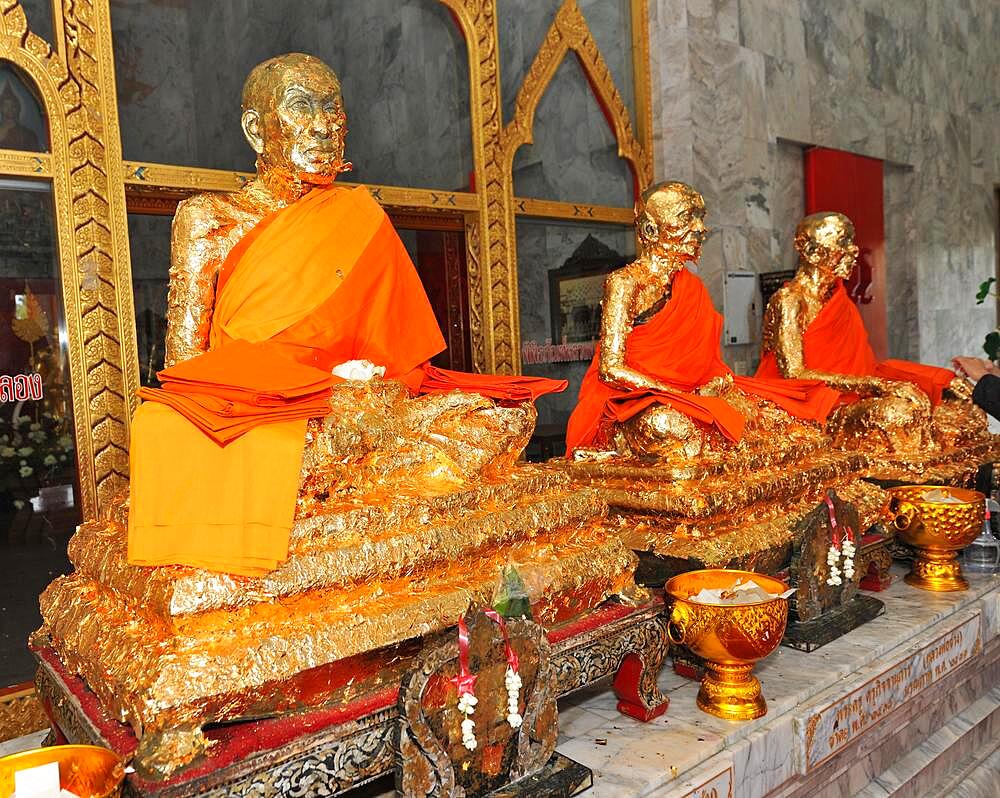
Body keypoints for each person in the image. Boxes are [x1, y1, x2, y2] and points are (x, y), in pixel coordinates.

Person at [127, 53, 563, 576]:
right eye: (301, 108)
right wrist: (294, 400)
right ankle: (348, 477)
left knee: (502, 418)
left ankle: (344, 481)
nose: (324, 126)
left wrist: (364, 392)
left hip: (352, 409)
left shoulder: (358, 217)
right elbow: (187, 372)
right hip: (265, 412)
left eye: (333, 110)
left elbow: (400, 361)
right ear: (255, 128)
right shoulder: (210, 218)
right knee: (213, 437)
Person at [565, 181, 838, 459]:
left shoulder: (692, 287)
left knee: (771, 415)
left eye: (700, 218)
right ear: (650, 229)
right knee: (668, 425)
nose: (700, 228)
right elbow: (610, 369)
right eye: (686, 217)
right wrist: (678, 395)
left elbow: (705, 365)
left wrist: (713, 387)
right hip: (634, 402)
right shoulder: (625, 283)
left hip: (689, 394)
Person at [756, 211, 972, 452]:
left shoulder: (839, 300)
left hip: (855, 396)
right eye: (843, 241)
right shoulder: (790, 301)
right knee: (898, 412)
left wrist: (937, 378)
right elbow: (795, 374)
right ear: (810, 250)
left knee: (952, 409)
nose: (854, 250)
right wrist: (875, 386)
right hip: (814, 407)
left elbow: (865, 365)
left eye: (852, 240)